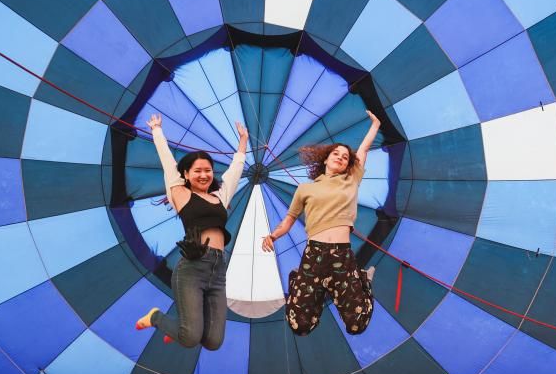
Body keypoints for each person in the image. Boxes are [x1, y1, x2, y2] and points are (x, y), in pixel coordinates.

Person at [262, 110, 381, 336]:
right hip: (314, 255)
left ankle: (363, 280)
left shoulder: (350, 180)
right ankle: (296, 281)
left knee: (357, 325)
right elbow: (288, 220)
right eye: (336, 153)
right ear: (326, 158)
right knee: (300, 326)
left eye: (345, 157)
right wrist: (272, 236)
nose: (340, 157)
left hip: (342, 256)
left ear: (349, 165)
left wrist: (375, 125)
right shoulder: (305, 189)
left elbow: (363, 150)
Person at [135, 113, 248, 350]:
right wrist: (157, 130)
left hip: (218, 269)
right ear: (186, 174)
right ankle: (157, 318)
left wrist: (243, 141)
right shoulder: (181, 194)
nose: (204, 174)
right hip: (193, 267)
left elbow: (235, 170)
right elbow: (167, 162)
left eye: (208, 170)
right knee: (190, 339)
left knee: (213, 342)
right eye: (197, 170)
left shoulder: (220, 196)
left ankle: (179, 330)